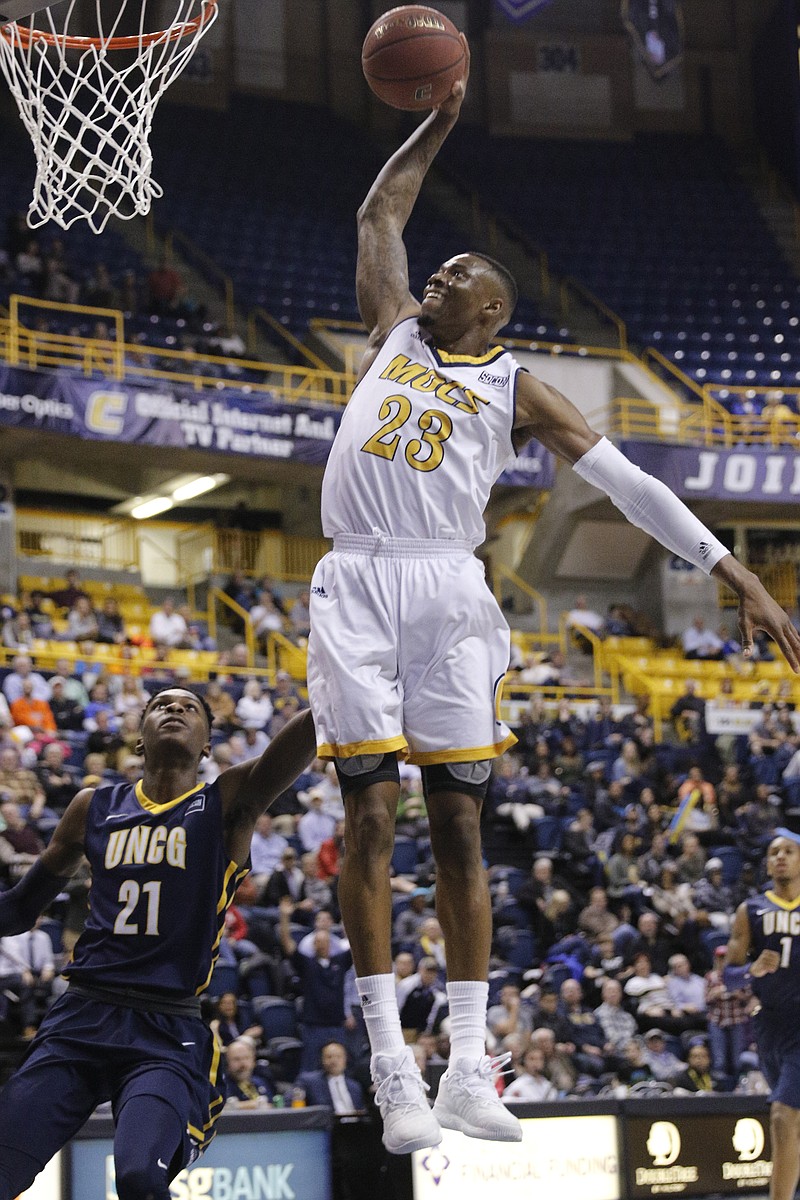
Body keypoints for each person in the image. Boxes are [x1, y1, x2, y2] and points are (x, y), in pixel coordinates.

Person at [304, 39, 800, 1160]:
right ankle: (392, 1065)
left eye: (456, 278)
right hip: (356, 576)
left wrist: (732, 574)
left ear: (495, 313)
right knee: (370, 819)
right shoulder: (391, 334)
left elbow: (627, 486)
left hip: (446, 586)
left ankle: (468, 1063)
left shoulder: (518, 390)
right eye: (433, 277)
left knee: (462, 830)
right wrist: (436, 115)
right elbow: (377, 218)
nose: (434, 281)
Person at [0, 686, 315, 1200]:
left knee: (141, 1177)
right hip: (81, 1016)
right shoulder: (91, 807)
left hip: (166, 1027)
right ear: (141, 736)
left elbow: (293, 748)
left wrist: (337, 684)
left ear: (209, 744)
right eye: (162, 704)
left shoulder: (228, 801)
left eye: (190, 707)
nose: (175, 709)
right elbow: (17, 910)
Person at [725, 829, 800, 1200]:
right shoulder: (750, 910)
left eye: (788, 851)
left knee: (783, 1116)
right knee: (792, 1124)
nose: (780, 857)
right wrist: (751, 970)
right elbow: (728, 975)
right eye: (774, 852)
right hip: (770, 1024)